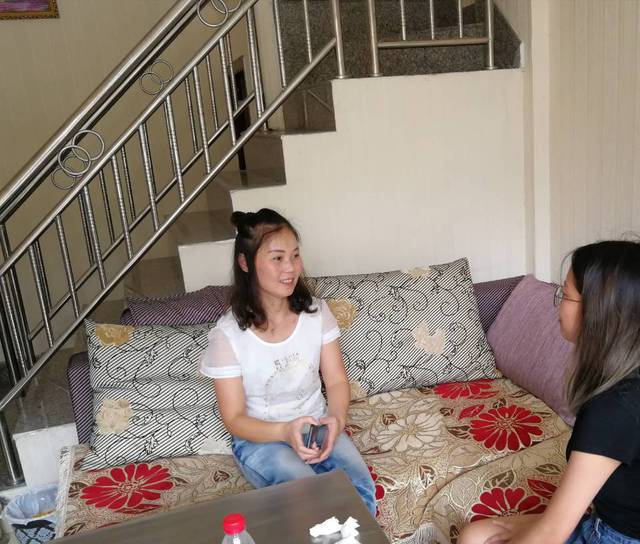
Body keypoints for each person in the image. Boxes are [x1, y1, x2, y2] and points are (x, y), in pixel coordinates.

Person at [459, 240, 640, 544]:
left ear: (598, 312)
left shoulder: (612, 409)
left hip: (614, 536)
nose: (556, 304)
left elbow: (550, 535)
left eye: (565, 295)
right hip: (611, 518)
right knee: (476, 535)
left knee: (475, 539)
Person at [199, 208, 377, 517]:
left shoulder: (316, 313)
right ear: (245, 263)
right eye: (277, 258)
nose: (290, 268)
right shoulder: (228, 336)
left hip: (317, 424)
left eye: (295, 256)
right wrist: (285, 432)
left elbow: (336, 380)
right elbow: (234, 418)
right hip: (261, 440)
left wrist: (336, 419)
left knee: (359, 491)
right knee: (307, 497)